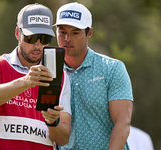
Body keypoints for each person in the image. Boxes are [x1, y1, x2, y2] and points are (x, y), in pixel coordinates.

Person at [0, 3, 71, 150]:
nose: (37, 46)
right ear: (18, 33)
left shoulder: (60, 76)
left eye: (44, 38)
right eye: (31, 38)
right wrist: (25, 81)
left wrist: (53, 122)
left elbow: (63, 139)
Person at [54, 2, 133, 150]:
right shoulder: (49, 71)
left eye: (75, 32)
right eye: (62, 32)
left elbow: (122, 122)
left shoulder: (112, 68)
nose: (67, 38)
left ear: (89, 33)